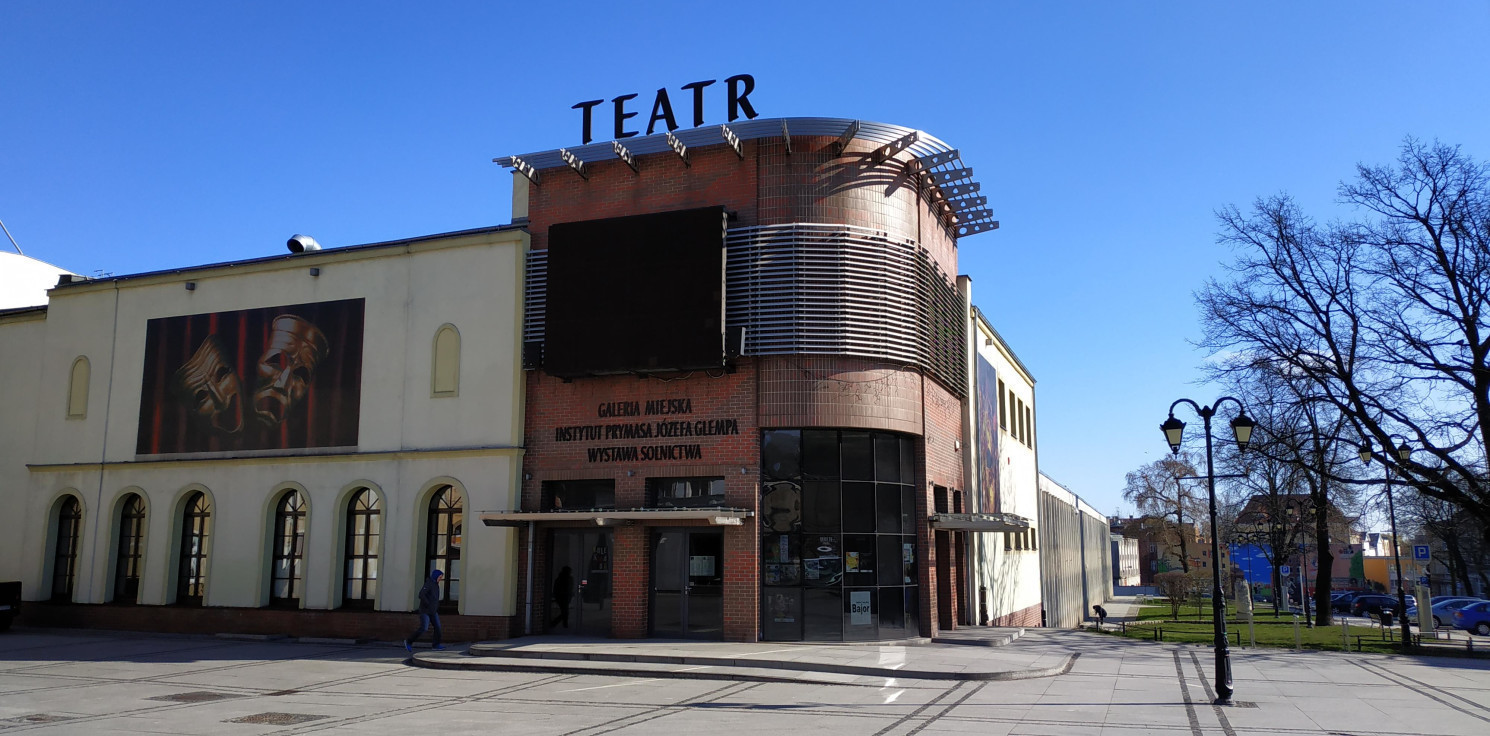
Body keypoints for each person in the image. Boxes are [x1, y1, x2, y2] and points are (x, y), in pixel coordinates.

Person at [404, 569, 445, 652]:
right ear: (435, 576)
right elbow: (421, 594)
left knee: (438, 627)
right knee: (424, 628)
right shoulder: (429, 583)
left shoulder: (436, 585)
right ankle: (408, 641)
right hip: (425, 611)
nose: (440, 579)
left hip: (433, 611)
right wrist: (428, 603)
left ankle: (436, 645)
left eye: (441, 577)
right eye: (439, 577)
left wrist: (436, 605)